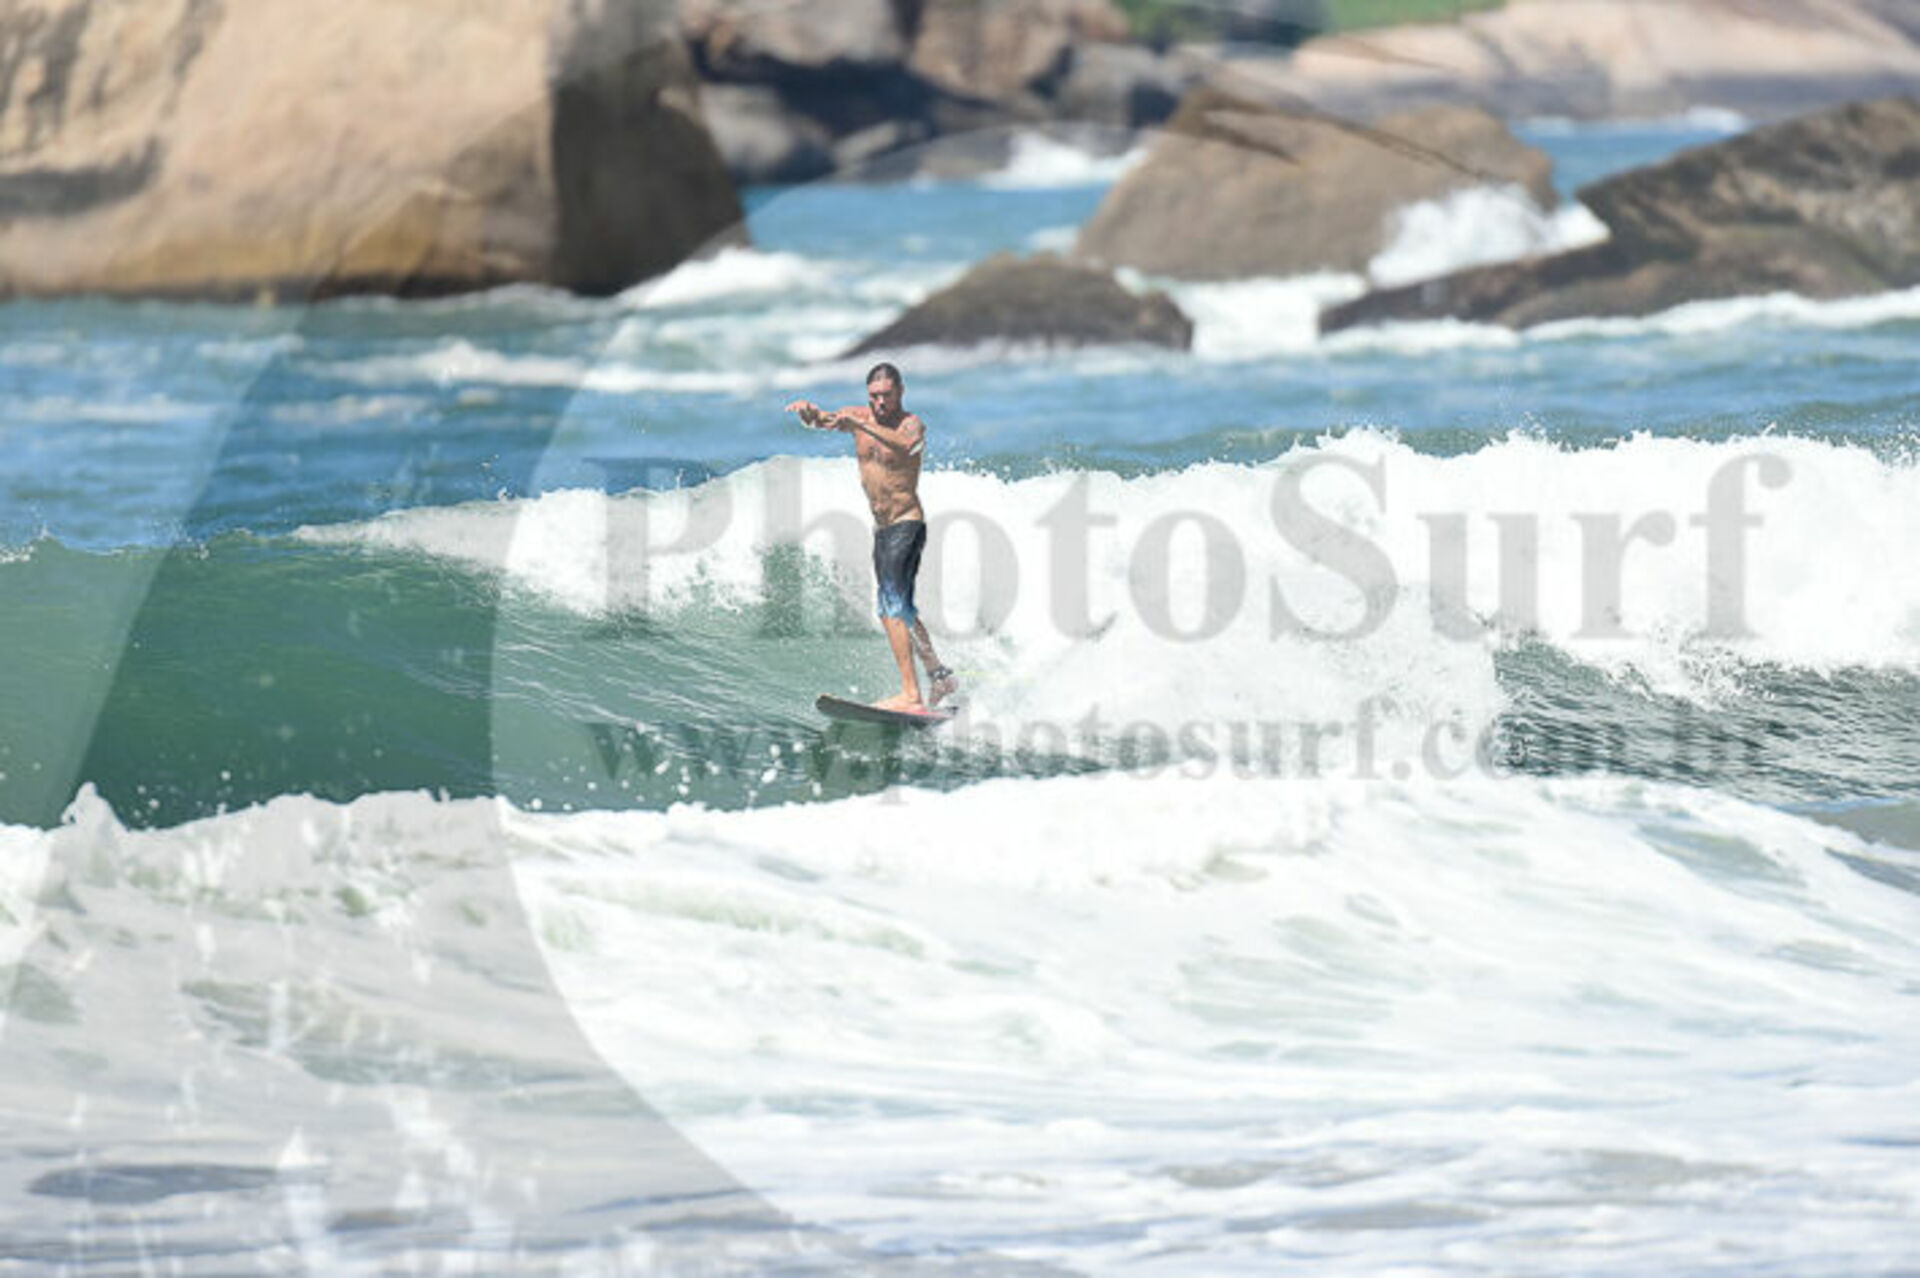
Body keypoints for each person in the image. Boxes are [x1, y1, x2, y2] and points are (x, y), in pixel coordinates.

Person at [786, 363, 958, 712]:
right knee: (900, 607)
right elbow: (824, 421)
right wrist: (808, 414)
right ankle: (939, 676)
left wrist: (862, 425)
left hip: (907, 523)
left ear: (901, 392)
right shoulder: (858, 415)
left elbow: (907, 445)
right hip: (882, 530)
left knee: (890, 606)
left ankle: (910, 694)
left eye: (886, 396)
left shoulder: (910, 424)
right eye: (874, 396)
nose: (880, 403)